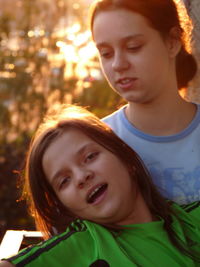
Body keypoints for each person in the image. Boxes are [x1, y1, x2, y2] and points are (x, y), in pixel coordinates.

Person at [0, 104, 200, 267]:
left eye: (90, 157)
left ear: (124, 157)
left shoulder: (191, 220)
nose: (81, 177)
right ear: (63, 205)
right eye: (64, 181)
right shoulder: (77, 247)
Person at [89, 0, 200, 204]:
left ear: (172, 42)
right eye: (106, 53)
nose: (118, 64)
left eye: (133, 47)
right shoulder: (96, 146)